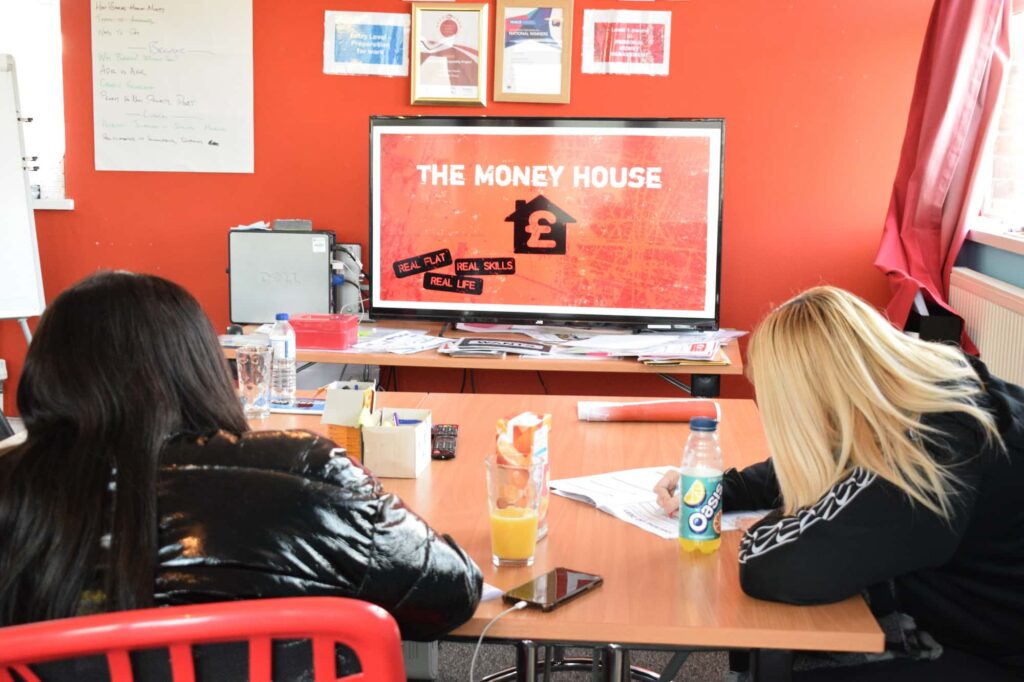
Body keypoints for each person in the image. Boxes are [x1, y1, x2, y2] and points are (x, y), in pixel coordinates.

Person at [0, 271, 482, 675]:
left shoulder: (11, 490)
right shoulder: (307, 473)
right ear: (198, 367)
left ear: (47, 375)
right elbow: (450, 595)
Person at [655, 286, 1024, 680]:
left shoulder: (928, 454)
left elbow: (768, 565)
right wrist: (724, 490)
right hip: (966, 609)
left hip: (992, 653)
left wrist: (784, 518)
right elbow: (831, 454)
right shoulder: (935, 389)